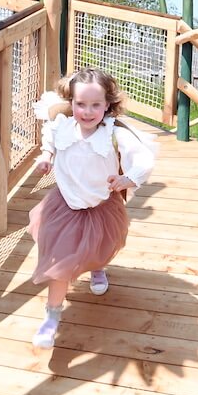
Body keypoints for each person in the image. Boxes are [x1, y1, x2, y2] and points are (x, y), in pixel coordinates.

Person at [27, 68, 156, 349]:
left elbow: (143, 158)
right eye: (80, 104)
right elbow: (49, 141)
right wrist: (46, 157)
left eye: (95, 105)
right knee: (58, 262)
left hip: (100, 205)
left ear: (108, 104)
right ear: (71, 102)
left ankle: (97, 268)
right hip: (64, 205)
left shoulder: (113, 134)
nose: (87, 112)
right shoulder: (62, 126)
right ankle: (52, 318)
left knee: (99, 246)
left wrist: (127, 178)